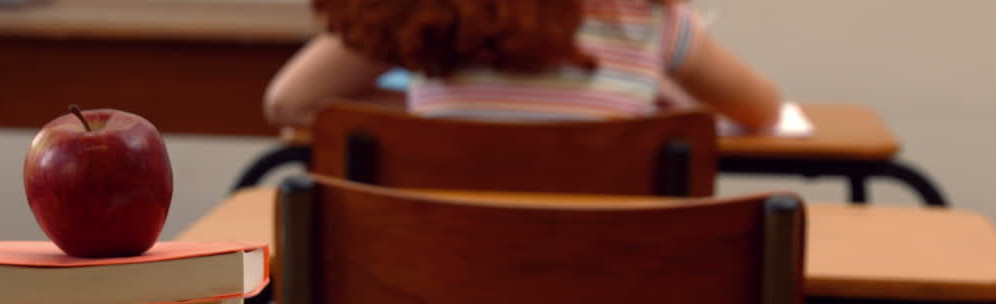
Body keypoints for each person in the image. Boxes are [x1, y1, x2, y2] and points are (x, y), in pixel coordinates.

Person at [263, 0, 781, 131]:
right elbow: (764, 110)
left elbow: (289, 102)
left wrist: (432, 105)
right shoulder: (643, 19)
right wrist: (641, 84)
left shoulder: (422, 14)